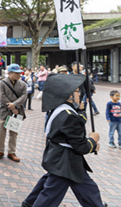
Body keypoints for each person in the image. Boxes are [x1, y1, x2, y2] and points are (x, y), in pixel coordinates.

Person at [22, 73, 106, 207]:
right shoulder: (68, 116)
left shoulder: (59, 109)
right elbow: (80, 146)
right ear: (69, 95)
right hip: (65, 161)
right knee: (50, 196)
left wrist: (81, 112)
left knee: (87, 189)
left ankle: (28, 203)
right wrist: (92, 141)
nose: (80, 94)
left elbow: (73, 125)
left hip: (60, 157)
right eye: (77, 91)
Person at [0, 63, 27, 162]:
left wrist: (15, 104)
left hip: (17, 111)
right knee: (1, 132)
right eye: (16, 73)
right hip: (4, 111)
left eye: (19, 73)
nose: (19, 75)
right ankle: (0, 151)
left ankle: (11, 152)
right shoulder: (2, 83)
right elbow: (1, 96)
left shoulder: (23, 84)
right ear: (10, 73)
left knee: (14, 133)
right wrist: (12, 107)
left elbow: (24, 96)